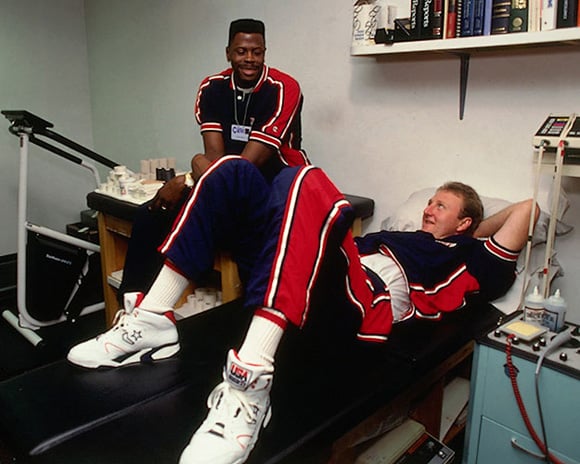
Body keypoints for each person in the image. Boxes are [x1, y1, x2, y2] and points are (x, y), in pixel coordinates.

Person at [67, 154, 539, 464]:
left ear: (466, 221)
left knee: (304, 177)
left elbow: (527, 209)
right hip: (325, 276)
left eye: (443, 205)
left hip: (363, 304)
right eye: (430, 201)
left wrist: (468, 232)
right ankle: (154, 317)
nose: (429, 209)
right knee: (232, 171)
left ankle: (248, 383)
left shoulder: (469, 259)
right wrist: (453, 219)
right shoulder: (400, 235)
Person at [118, 18, 309, 300]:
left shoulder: (283, 87)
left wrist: (192, 174)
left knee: (241, 233)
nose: (250, 59)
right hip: (222, 179)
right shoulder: (212, 88)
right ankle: (133, 303)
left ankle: (247, 314)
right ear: (228, 52)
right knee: (151, 214)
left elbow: (244, 170)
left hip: (276, 183)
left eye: (257, 52)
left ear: (265, 52)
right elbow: (216, 157)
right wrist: (193, 173)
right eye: (242, 51)